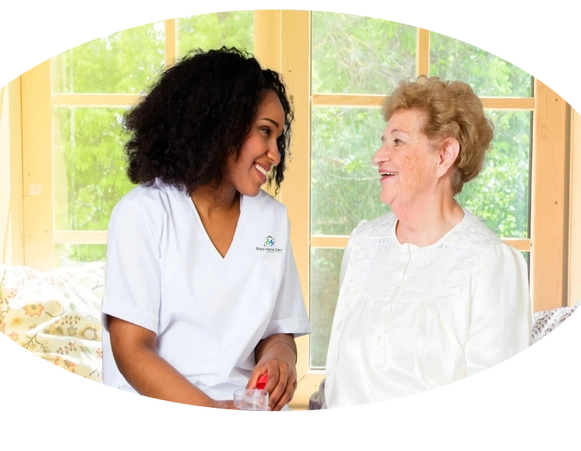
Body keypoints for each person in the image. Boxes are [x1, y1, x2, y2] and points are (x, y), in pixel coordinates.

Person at [100, 46, 311, 414]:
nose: (275, 154)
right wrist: (210, 409)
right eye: (265, 132)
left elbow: (278, 331)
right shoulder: (144, 214)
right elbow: (131, 348)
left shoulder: (271, 219)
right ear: (220, 126)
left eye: (278, 137)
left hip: (243, 405)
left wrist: (280, 359)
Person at [319, 75, 532, 411]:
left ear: (445, 154)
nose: (378, 155)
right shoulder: (363, 244)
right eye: (384, 141)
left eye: (398, 142)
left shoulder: (490, 263)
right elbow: (338, 383)